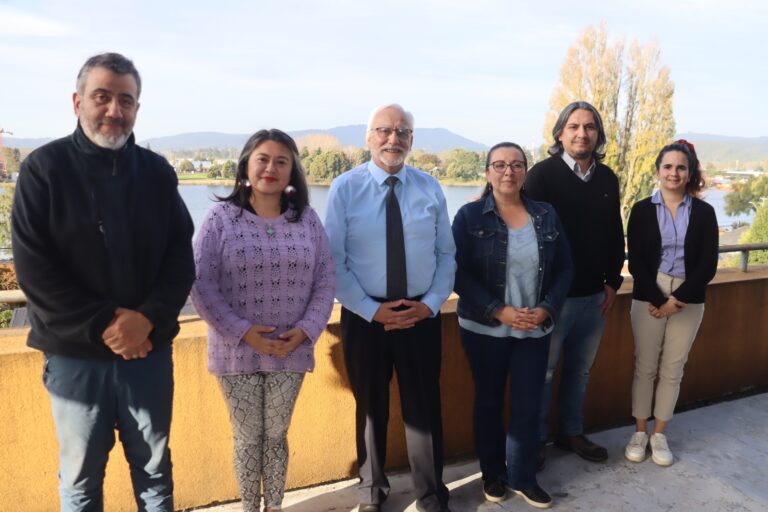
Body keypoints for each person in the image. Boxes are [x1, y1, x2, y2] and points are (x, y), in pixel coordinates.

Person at [11, 52, 195, 511]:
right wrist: (108, 325)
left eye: (126, 100)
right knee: (80, 482)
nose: (114, 110)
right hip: (76, 358)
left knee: (156, 477)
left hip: (148, 354)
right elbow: (35, 270)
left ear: (137, 109)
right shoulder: (44, 170)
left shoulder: (157, 174)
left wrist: (147, 320)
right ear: (78, 102)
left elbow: (180, 260)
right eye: (102, 97)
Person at [190, 129, 335, 512]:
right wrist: (243, 333)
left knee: (276, 436)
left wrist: (306, 330)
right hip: (236, 352)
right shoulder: (220, 219)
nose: (271, 168)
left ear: (292, 171)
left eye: (281, 161)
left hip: (291, 350)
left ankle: (274, 506)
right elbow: (201, 284)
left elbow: (325, 279)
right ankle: (249, 508)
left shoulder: (307, 220)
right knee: (248, 438)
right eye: (263, 159)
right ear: (246, 166)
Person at [325, 104, 456, 512]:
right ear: (369, 138)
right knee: (370, 408)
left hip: (420, 315)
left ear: (412, 140)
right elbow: (334, 262)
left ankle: (431, 494)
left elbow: (446, 255)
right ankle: (371, 492)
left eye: (402, 132)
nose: (393, 139)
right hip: (366, 318)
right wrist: (370, 310)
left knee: (425, 405)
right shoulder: (345, 189)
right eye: (384, 130)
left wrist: (430, 305)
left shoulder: (430, 188)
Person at [453, 142, 573, 509]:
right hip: (484, 330)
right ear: (488, 172)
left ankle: (522, 476)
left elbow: (565, 268)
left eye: (517, 165)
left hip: (533, 330)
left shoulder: (546, 214)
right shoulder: (469, 216)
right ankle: (492, 474)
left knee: (527, 405)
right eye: (500, 165)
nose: (509, 171)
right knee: (488, 402)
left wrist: (547, 309)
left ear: (525, 172)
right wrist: (498, 311)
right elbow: (457, 273)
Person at [525, 101, 625, 466]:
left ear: (598, 135)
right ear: (560, 134)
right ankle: (535, 440)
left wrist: (612, 281)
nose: (582, 134)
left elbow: (614, 233)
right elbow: (529, 239)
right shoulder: (541, 176)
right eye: (574, 127)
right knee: (544, 372)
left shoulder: (608, 178)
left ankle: (571, 432)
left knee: (579, 371)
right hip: (553, 299)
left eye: (589, 127)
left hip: (595, 298)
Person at [624, 141, 718, 466]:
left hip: (688, 297)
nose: (674, 173)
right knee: (645, 367)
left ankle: (659, 434)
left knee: (673, 369)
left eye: (681, 167)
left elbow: (708, 265)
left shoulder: (704, 213)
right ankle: (639, 432)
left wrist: (677, 300)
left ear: (689, 173)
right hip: (649, 293)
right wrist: (658, 299)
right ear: (658, 171)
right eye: (668, 167)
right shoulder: (641, 210)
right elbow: (637, 262)